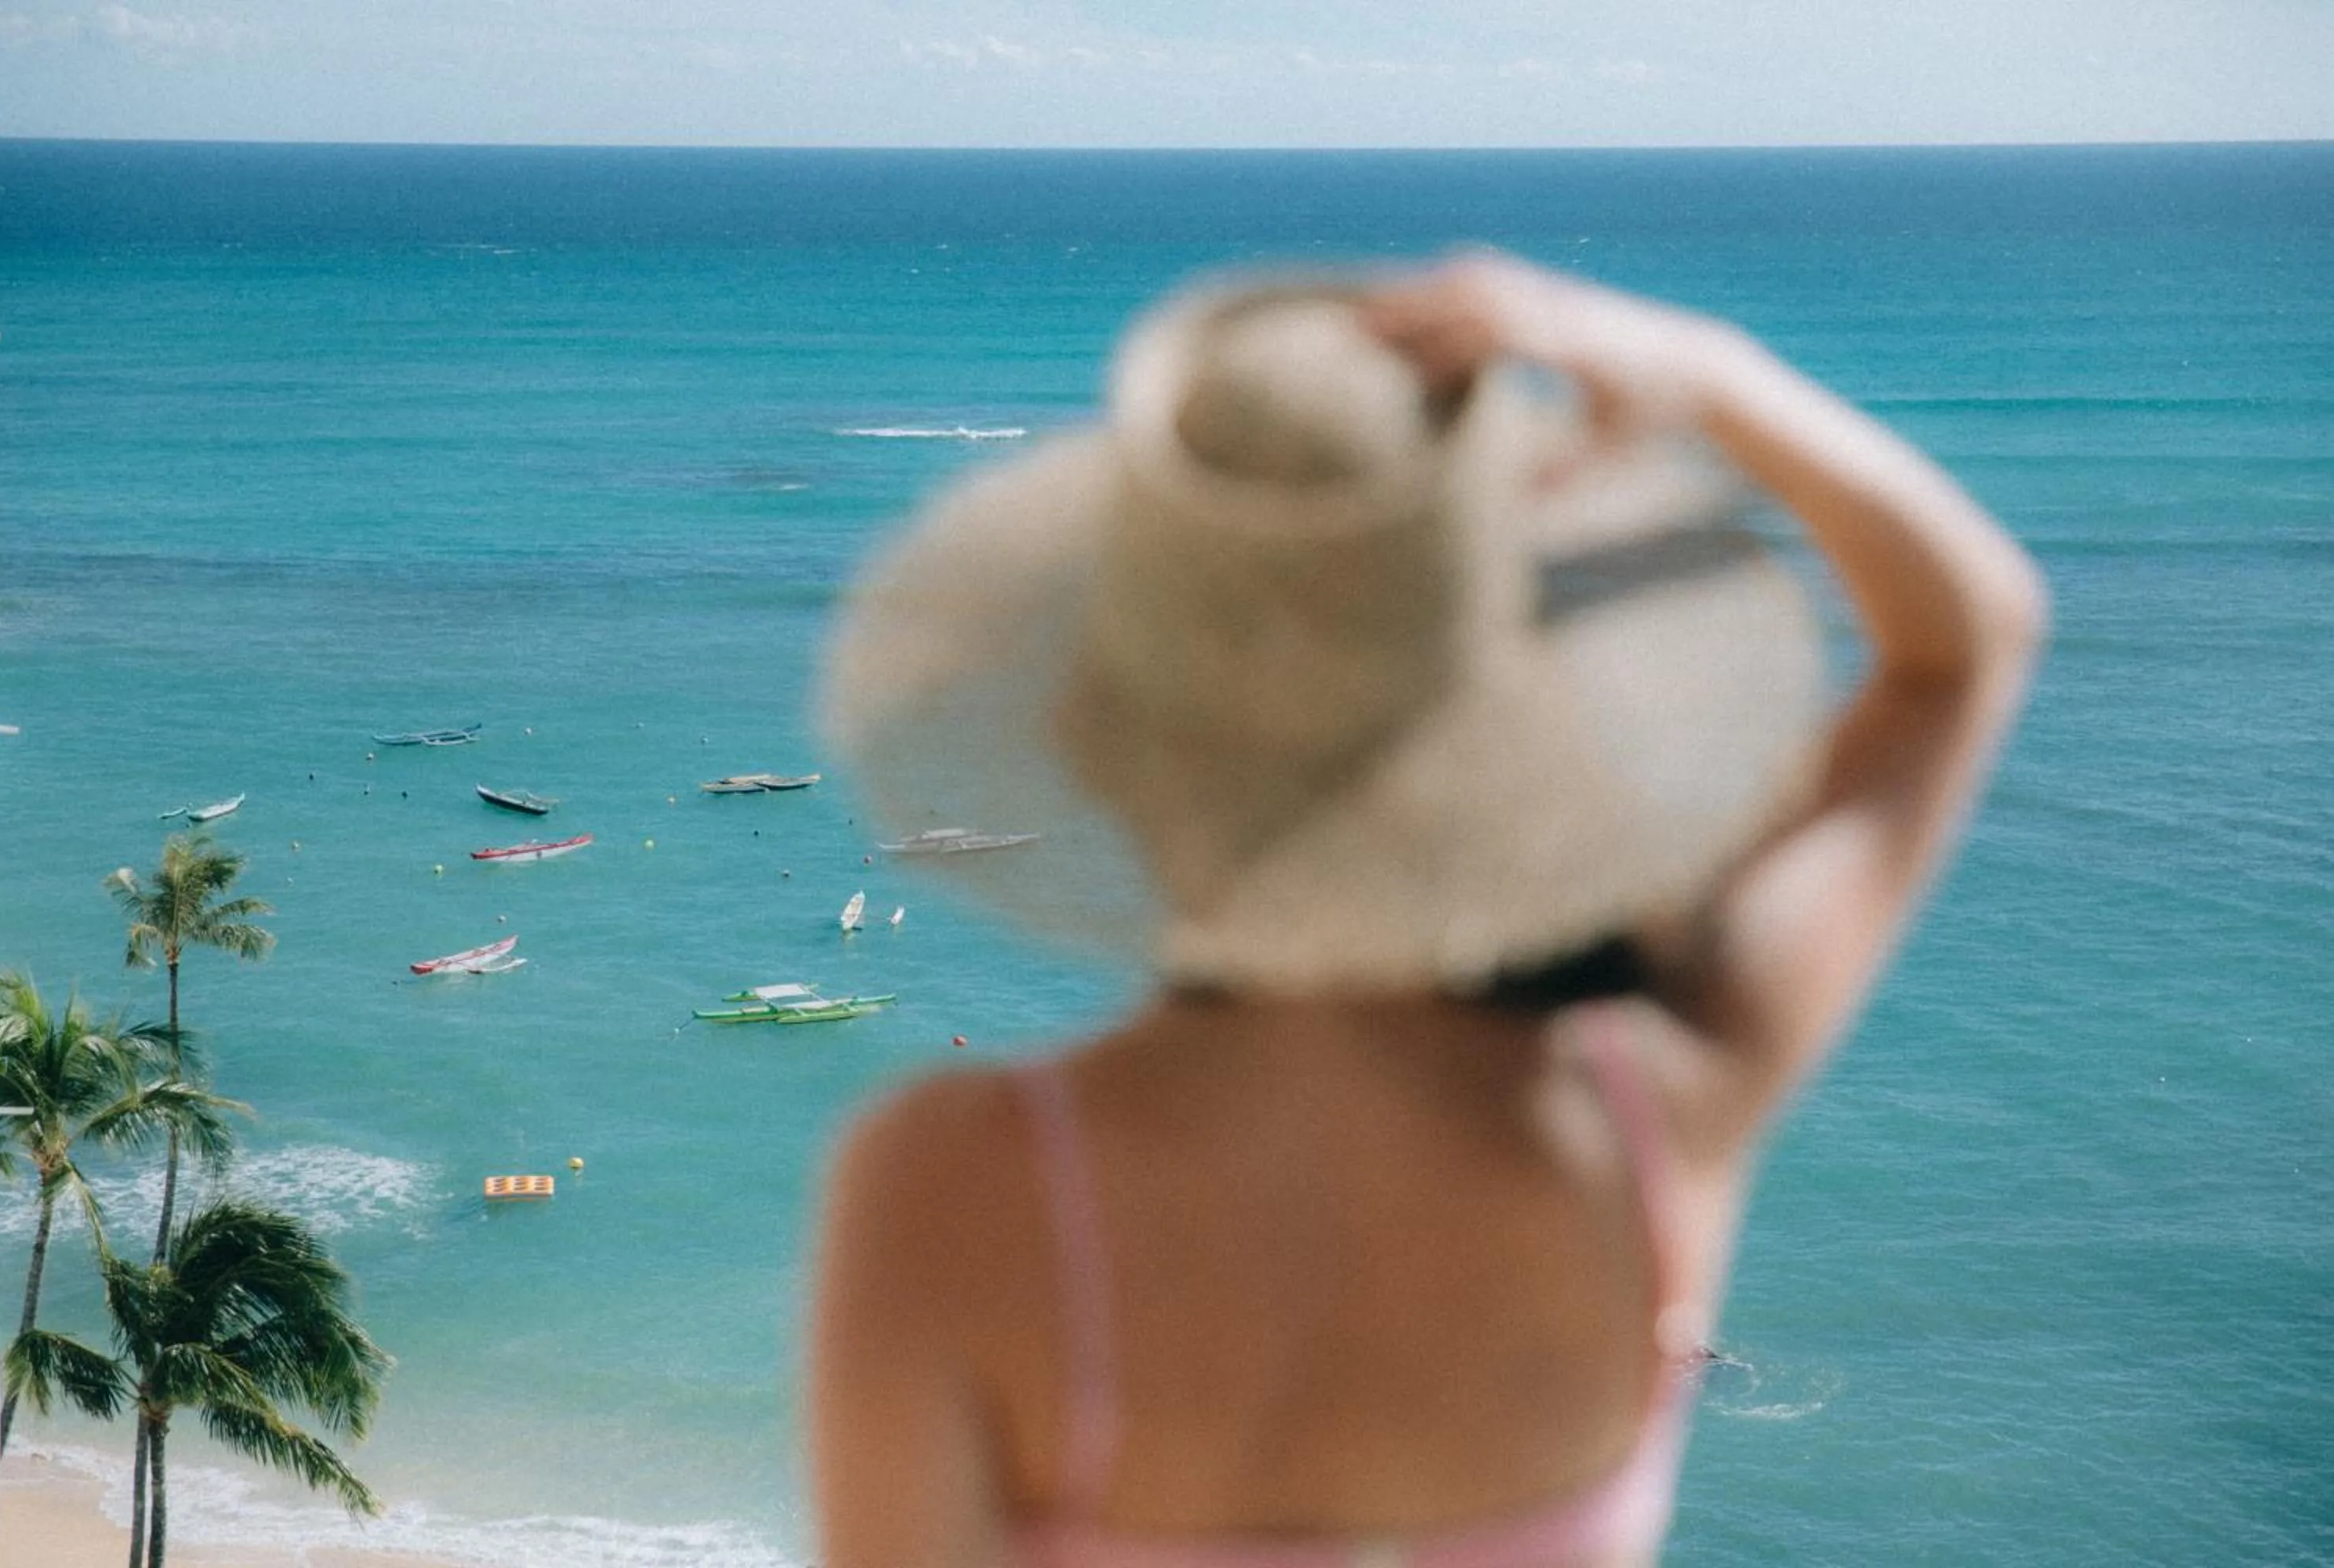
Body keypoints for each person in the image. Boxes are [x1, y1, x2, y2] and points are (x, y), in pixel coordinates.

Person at [806, 254, 2045, 1568]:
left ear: (1109, 735)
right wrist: (1707, 368)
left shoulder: (954, 1183)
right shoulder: (1660, 1110)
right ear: (1528, 730)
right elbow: (1964, 650)